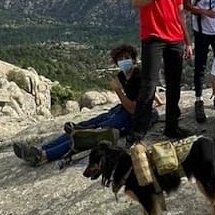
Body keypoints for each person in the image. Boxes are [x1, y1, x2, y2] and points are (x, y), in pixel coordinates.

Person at [13, 44, 143, 165]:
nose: (124, 61)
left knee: (88, 134)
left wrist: (118, 91)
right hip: (119, 111)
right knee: (78, 127)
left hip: (128, 118)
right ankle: (38, 150)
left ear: (134, 60)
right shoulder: (122, 76)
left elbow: (134, 109)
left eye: (127, 58)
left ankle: (43, 156)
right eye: (120, 59)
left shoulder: (138, 77)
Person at [131, 0, 193, 141]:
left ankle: (172, 127)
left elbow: (180, 14)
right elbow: (137, 1)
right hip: (153, 38)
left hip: (175, 38)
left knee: (174, 85)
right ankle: (138, 131)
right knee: (149, 84)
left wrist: (188, 41)